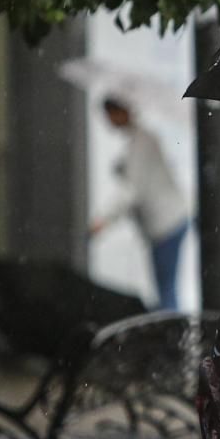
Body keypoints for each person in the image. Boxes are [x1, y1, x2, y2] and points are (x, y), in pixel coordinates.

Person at [90, 97, 190, 310]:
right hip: (167, 222)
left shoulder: (140, 142)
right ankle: (171, 324)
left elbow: (131, 191)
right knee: (166, 288)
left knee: (166, 290)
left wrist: (103, 220)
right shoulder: (140, 140)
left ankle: (172, 327)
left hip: (166, 224)